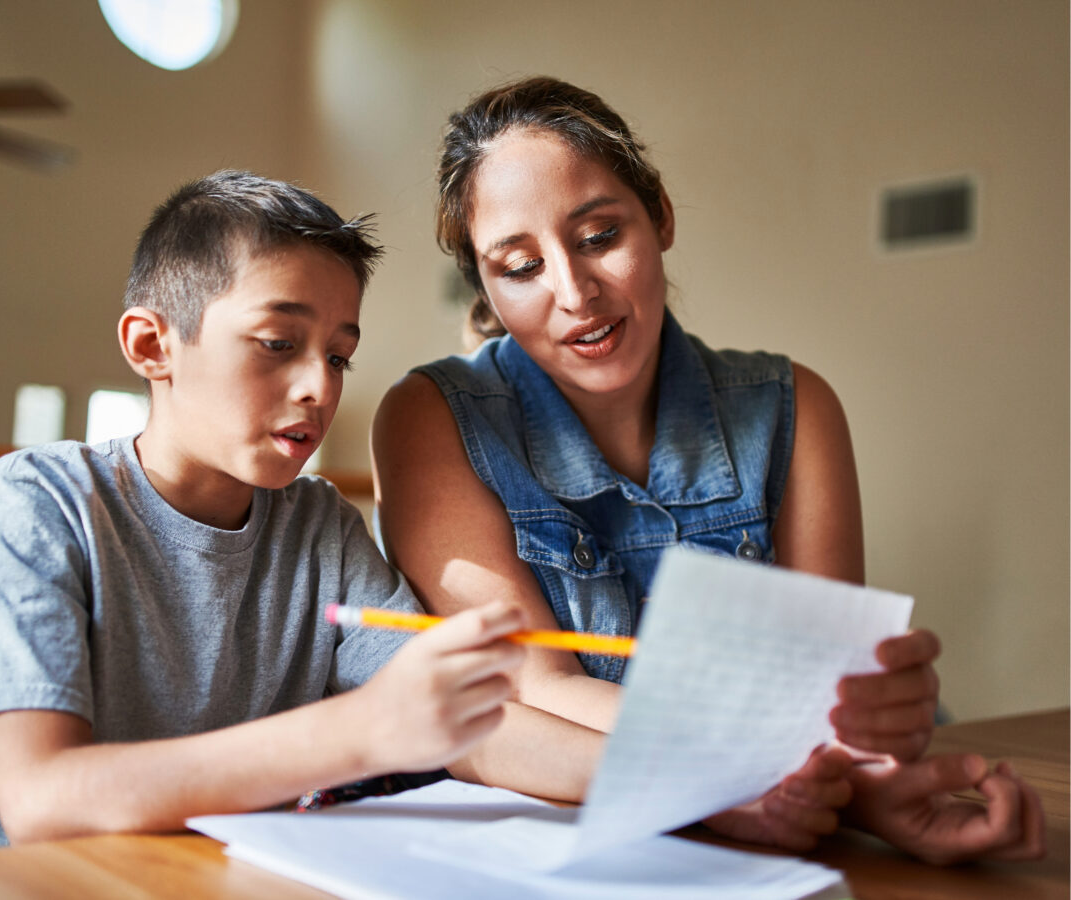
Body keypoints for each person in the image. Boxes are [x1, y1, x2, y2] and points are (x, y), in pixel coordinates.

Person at [372, 77, 1045, 864]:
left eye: (597, 237)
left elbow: (827, 702)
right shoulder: (432, 418)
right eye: (520, 266)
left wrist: (876, 779)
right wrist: (745, 777)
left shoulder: (795, 407)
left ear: (660, 215)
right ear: (485, 282)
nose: (574, 291)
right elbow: (530, 690)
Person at [0, 171, 524, 865]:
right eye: (279, 342)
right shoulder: (33, 502)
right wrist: (357, 732)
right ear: (152, 346)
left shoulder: (320, 528)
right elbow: (44, 801)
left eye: (339, 355)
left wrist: (651, 773)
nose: (320, 386)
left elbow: (476, 731)